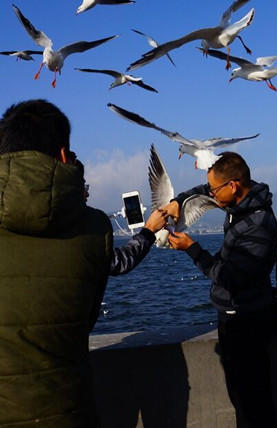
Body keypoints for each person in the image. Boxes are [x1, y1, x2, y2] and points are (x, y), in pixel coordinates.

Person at [0, 99, 167, 427]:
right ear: (64, 156)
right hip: (65, 411)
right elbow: (114, 270)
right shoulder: (92, 228)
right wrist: (147, 231)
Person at [165, 152, 277, 428]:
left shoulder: (258, 225)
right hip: (235, 315)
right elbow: (207, 189)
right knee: (242, 398)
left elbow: (228, 277)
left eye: (215, 190)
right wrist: (177, 202)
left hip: (246, 321)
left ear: (233, 186)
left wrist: (191, 248)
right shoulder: (239, 201)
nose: (211, 196)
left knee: (252, 402)